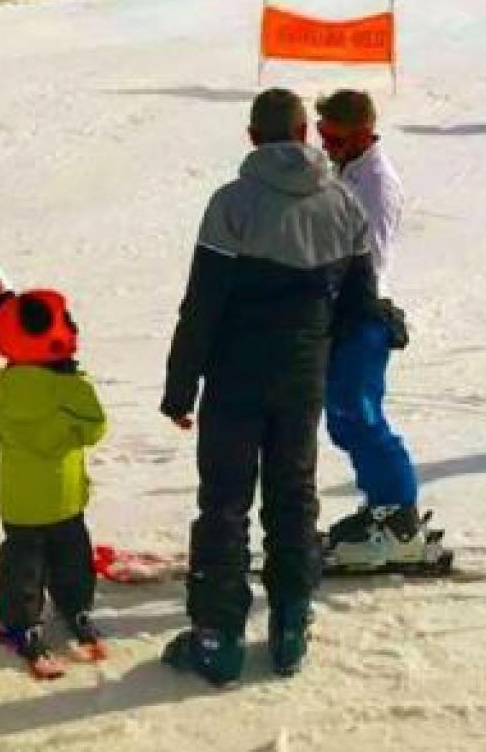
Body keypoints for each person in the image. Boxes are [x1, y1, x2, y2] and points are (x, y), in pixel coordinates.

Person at [160, 89, 377, 685]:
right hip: (302, 375)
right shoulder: (344, 202)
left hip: (235, 376)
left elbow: (203, 304)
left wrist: (180, 387)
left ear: (252, 137)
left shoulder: (231, 203)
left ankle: (218, 640)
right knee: (293, 494)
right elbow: (360, 303)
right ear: (306, 133)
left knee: (224, 501)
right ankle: (289, 627)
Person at [314, 91, 436, 570]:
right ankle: (380, 508)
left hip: (361, 311)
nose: (327, 147)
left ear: (362, 133)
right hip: (342, 311)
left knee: (358, 414)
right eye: (322, 136)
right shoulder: (347, 171)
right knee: (344, 418)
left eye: (335, 138)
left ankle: (399, 520)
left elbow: (370, 256)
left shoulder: (377, 183)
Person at [0, 289, 107, 675]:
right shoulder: (71, 388)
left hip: (20, 503)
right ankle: (76, 606)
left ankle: (21, 620)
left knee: (22, 563)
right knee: (72, 556)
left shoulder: (3, 387)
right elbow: (95, 428)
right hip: (65, 499)